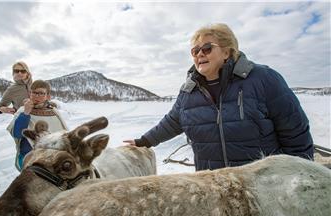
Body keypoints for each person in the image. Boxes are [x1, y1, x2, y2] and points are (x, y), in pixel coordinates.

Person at [124, 23, 314, 171]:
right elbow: (172, 122)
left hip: (262, 187)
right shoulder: (189, 91)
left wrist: (299, 176)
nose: (199, 54)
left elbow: (295, 132)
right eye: (195, 50)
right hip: (214, 188)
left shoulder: (263, 79)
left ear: (227, 51)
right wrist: (144, 141)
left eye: (207, 48)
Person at [7, 80, 68, 171]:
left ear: (48, 96)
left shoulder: (54, 112)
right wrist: (26, 113)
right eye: (34, 93)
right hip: (30, 157)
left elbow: (63, 133)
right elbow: (17, 133)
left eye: (41, 93)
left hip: (54, 156)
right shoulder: (23, 110)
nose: (37, 96)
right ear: (30, 94)